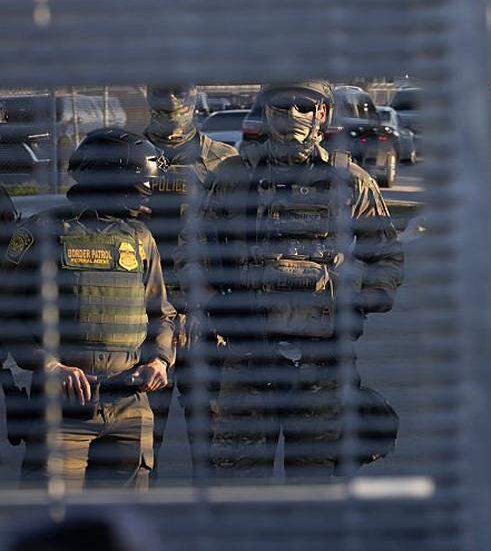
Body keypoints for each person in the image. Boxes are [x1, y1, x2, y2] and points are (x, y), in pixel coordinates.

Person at [195, 80, 404, 480]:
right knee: (238, 487)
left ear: (322, 113)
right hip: (249, 359)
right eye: (282, 105)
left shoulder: (351, 181)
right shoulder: (234, 176)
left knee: (315, 489)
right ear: (267, 112)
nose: (293, 115)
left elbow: (386, 253)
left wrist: (363, 300)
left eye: (304, 106)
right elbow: (196, 249)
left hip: (321, 364)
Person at [2, 128, 175, 490]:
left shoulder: (141, 239)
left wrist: (159, 360)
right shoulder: (41, 232)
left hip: (130, 405)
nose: (146, 199)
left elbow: (162, 314)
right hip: (62, 407)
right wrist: (49, 365)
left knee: (123, 526)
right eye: (139, 189)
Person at [142, 84, 237, 479]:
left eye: (179, 89)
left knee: (214, 447)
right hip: (141, 323)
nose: (171, 100)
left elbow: (240, 241)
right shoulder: (121, 154)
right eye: (162, 89)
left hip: (205, 323)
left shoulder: (223, 162)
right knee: (139, 446)